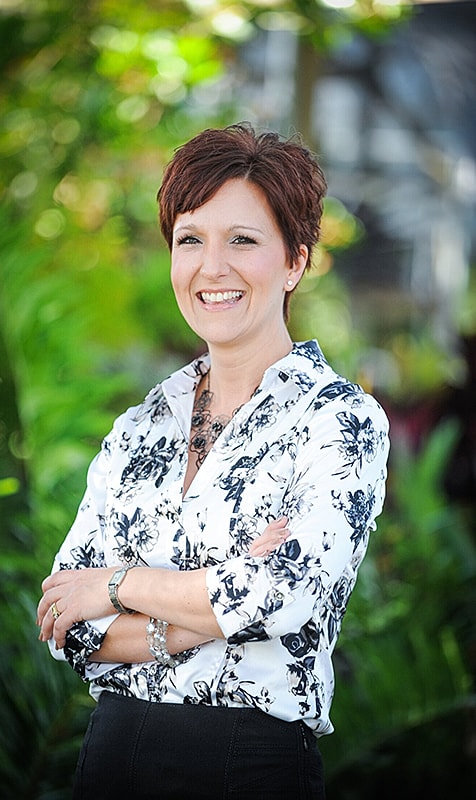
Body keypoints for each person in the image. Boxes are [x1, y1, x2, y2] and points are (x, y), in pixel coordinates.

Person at [37, 122, 389, 799]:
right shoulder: (138, 428)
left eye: (243, 241)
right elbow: (66, 626)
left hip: (249, 767)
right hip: (111, 760)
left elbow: (284, 594)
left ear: (295, 262)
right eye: (191, 239)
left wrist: (113, 584)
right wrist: (223, 598)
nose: (212, 267)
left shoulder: (338, 420)